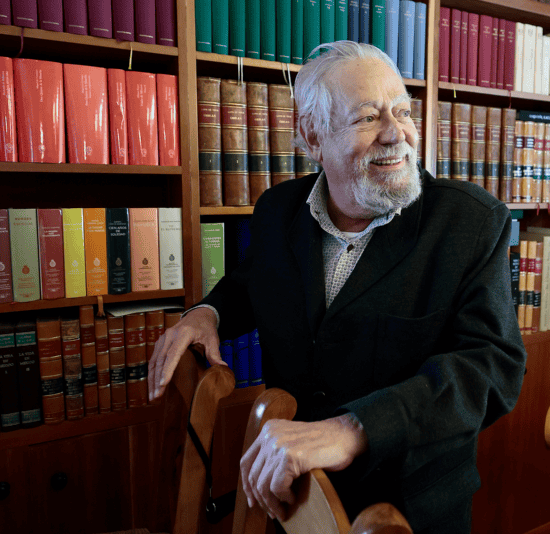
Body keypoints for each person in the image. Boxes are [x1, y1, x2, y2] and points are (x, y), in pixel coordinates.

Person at [148, 40, 526, 534]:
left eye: (402, 111)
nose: (396, 134)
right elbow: (254, 281)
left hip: (406, 511)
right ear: (312, 135)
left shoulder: (471, 223)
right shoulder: (277, 211)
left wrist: (354, 429)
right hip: (287, 497)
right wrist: (208, 313)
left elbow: (492, 368)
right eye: (368, 117)